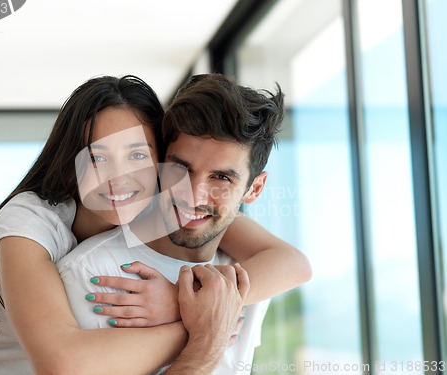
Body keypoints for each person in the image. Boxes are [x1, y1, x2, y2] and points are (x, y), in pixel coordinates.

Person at [0, 75, 310, 375]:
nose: (119, 178)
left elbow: (292, 262)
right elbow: (60, 363)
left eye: (137, 154)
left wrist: (179, 299)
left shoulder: (178, 195)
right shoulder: (30, 220)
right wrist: (201, 323)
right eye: (97, 157)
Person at [57, 73, 301, 374]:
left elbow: (298, 264)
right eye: (180, 167)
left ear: (255, 189)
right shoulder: (92, 274)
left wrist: (182, 300)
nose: (192, 194)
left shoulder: (245, 274)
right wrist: (203, 329)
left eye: (221, 177)